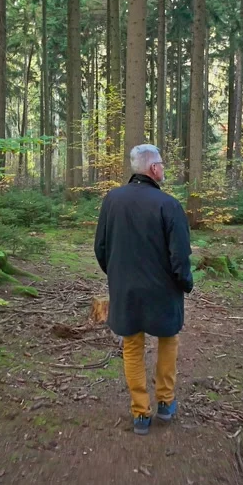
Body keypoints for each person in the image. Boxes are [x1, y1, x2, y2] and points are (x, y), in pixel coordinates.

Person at [94, 143, 193, 435]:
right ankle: (165, 402)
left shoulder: (112, 200)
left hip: (126, 290)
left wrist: (117, 275)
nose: (163, 168)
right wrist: (185, 283)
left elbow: (100, 247)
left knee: (132, 346)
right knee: (168, 340)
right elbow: (180, 256)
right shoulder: (169, 205)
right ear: (153, 168)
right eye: (161, 163)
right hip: (163, 290)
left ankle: (140, 413)